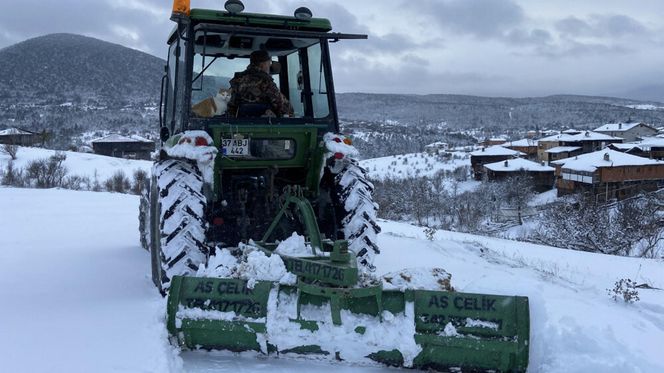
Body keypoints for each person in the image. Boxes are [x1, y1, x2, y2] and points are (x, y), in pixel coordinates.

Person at [229, 50, 293, 118]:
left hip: (242, 126)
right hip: (264, 126)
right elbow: (285, 108)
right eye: (269, 63)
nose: (269, 65)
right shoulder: (267, 82)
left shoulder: (238, 80)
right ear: (263, 64)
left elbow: (232, 107)